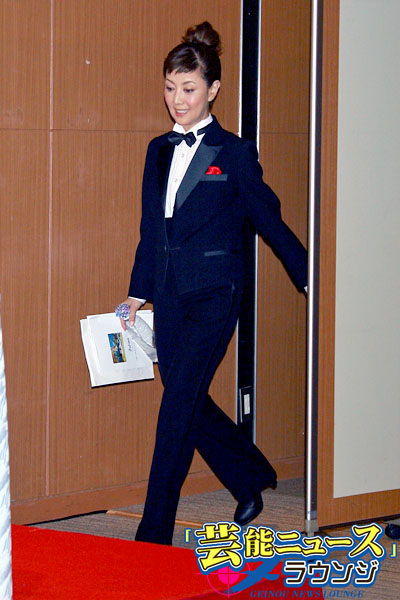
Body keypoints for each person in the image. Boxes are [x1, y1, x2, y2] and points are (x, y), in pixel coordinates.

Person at [119, 22, 307, 545]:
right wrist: (137, 291)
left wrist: (309, 278)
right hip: (169, 294)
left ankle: (152, 535)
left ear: (213, 90)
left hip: (215, 293)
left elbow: (269, 219)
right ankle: (249, 474)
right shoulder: (158, 150)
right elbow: (151, 229)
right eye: (169, 88)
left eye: (189, 88)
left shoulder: (234, 151)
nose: (177, 100)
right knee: (187, 396)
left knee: (176, 408)